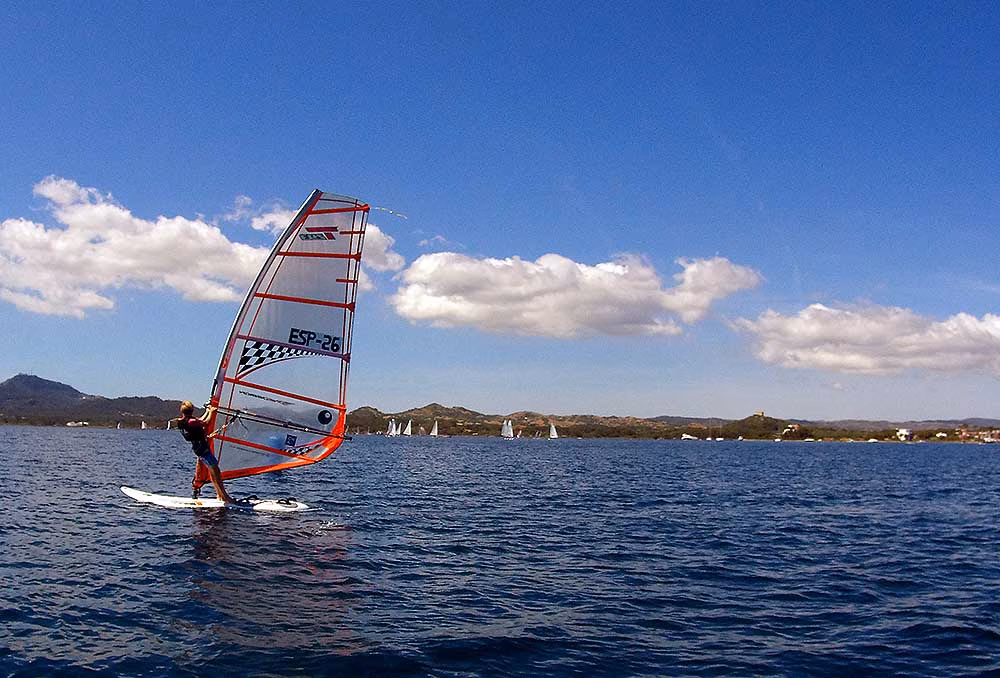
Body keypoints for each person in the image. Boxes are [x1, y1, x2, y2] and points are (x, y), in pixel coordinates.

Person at [174, 400, 235, 503]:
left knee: (214, 471)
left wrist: (207, 410)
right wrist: (211, 412)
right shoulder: (191, 422)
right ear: (192, 410)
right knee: (216, 472)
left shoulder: (185, 421)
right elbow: (206, 422)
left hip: (199, 449)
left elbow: (200, 420)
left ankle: (220, 495)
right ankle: (225, 497)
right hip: (203, 449)